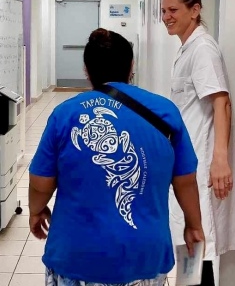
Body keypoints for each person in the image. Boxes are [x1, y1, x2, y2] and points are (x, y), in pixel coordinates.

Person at [29, 28, 205, 286]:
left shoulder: (64, 114)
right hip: (145, 255)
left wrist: (36, 211)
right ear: (131, 66)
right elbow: (185, 181)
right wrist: (194, 225)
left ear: (86, 70)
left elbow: (40, 183)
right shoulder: (165, 111)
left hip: (77, 255)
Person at [162, 0, 235, 285]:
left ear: (195, 10)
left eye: (173, 10)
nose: (166, 17)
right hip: (189, 157)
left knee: (200, 242)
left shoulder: (202, 48)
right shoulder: (188, 48)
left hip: (202, 160)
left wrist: (220, 160)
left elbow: (222, 103)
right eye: (163, 11)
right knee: (191, 239)